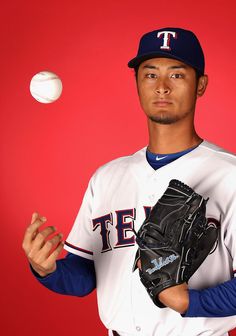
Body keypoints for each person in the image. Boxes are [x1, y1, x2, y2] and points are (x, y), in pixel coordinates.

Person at [22, 27, 236, 336]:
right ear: (137, 83)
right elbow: (85, 277)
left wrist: (190, 301)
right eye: (150, 75)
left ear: (200, 85)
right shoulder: (107, 178)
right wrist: (47, 269)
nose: (161, 87)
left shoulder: (229, 174)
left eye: (176, 75)